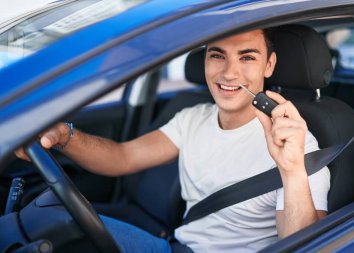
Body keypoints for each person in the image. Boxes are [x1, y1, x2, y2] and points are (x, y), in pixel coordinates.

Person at [16, 28, 330, 252]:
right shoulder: (192, 117)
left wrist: (291, 170)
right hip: (173, 246)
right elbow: (122, 158)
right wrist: (62, 135)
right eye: (217, 55)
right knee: (51, 223)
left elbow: (305, 246)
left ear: (269, 64)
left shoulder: (299, 146)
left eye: (247, 58)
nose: (229, 73)